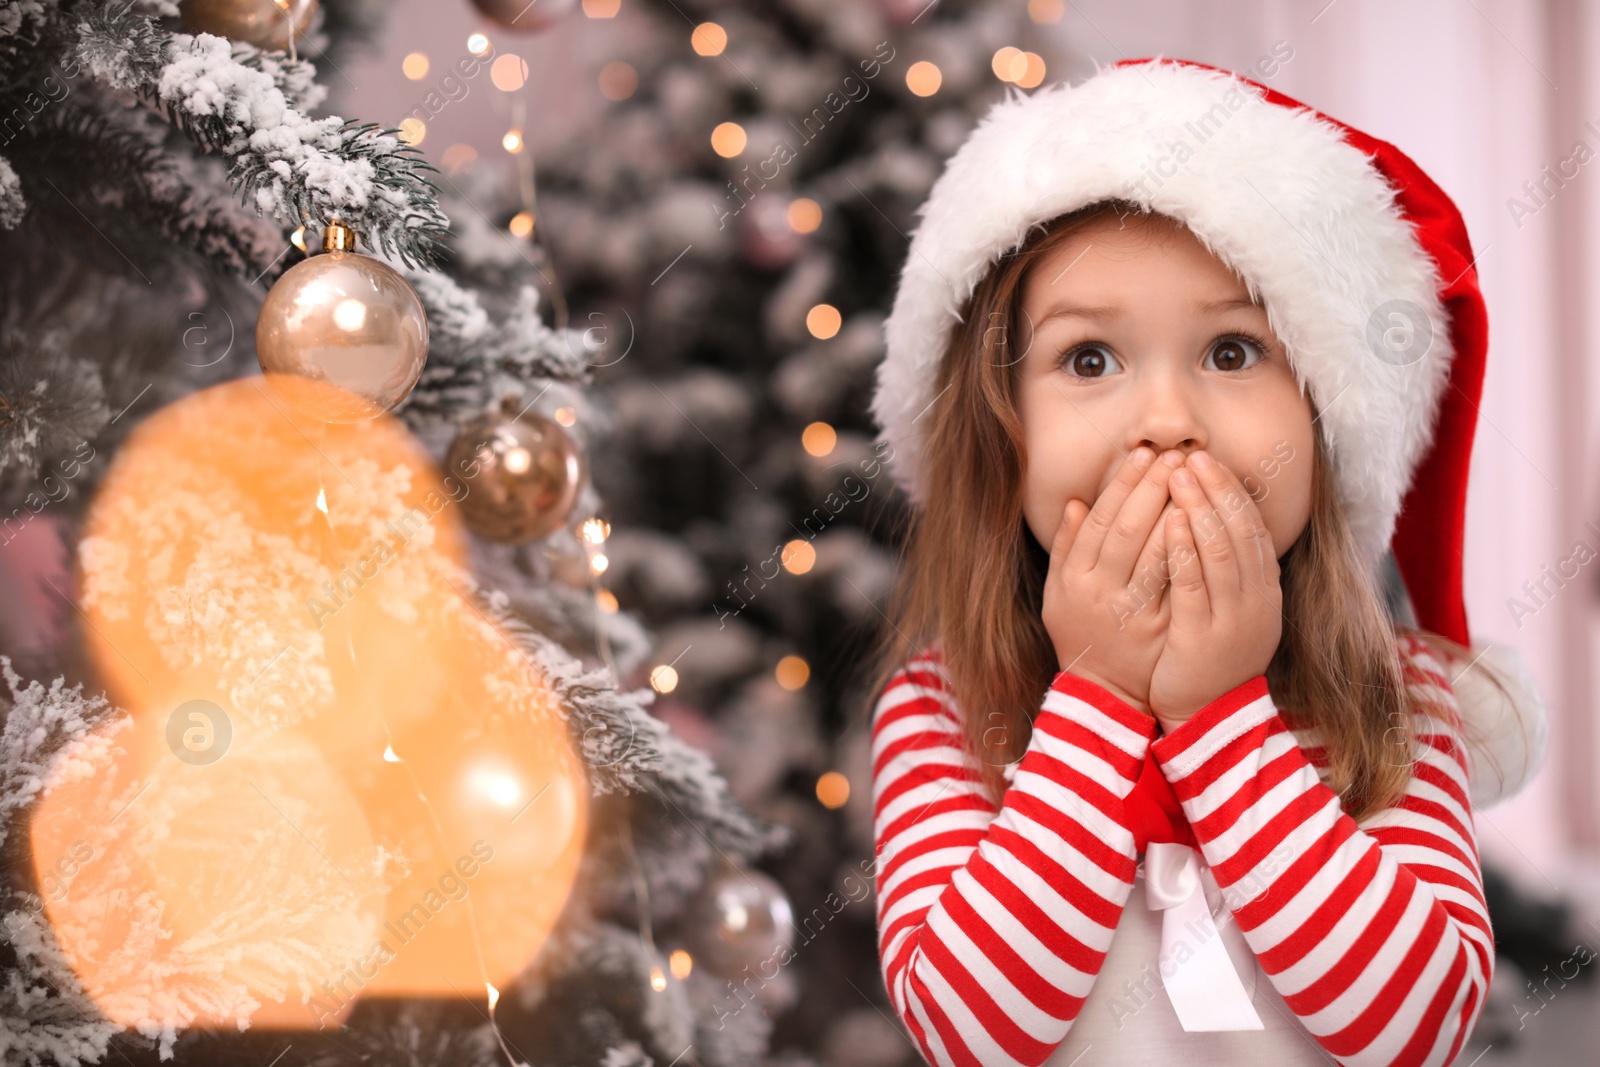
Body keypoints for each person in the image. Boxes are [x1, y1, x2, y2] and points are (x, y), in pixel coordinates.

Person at [864, 57, 1548, 1067]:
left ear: (1323, 425)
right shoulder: (942, 706)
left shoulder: (1397, 694)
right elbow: (968, 1031)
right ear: (1000, 437)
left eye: (1230, 352)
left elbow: (1418, 1026)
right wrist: (1096, 694)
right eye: (1088, 358)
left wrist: (1219, 715)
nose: (1165, 423)